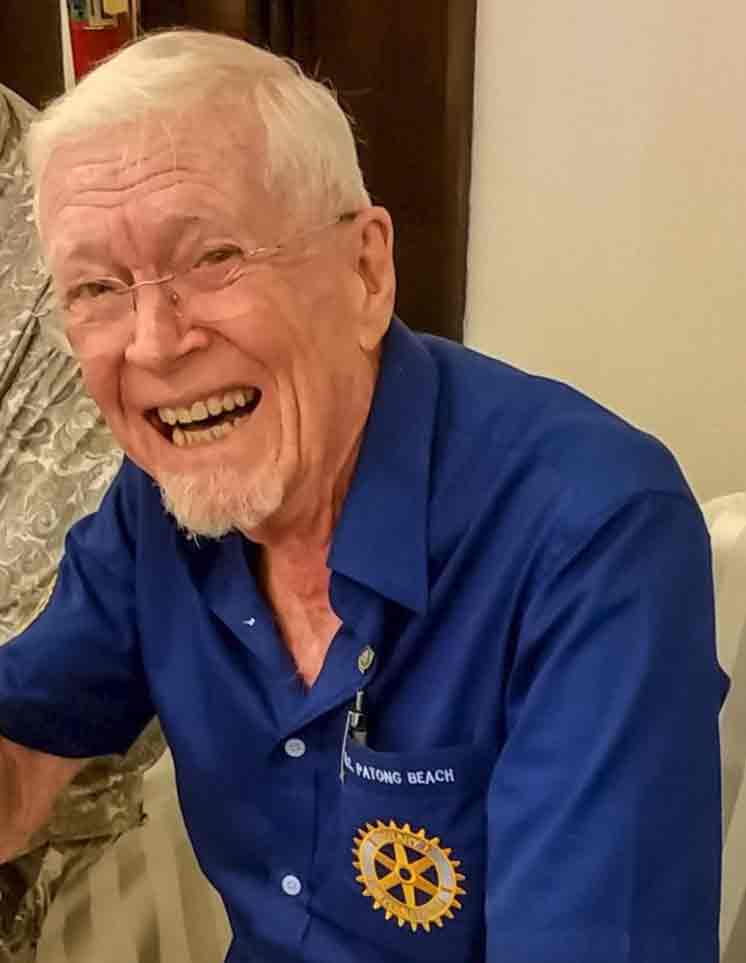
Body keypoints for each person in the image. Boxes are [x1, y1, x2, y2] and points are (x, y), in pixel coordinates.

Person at [0, 29, 726, 963]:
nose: (153, 342)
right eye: (98, 287)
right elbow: (21, 753)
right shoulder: (164, 508)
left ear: (366, 271)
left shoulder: (594, 535)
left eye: (213, 257)